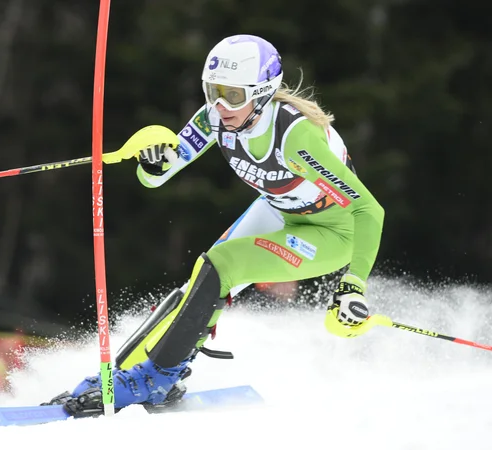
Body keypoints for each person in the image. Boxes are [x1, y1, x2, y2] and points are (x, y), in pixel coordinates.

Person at [45, 34, 385, 415]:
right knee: (201, 282)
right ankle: (124, 374)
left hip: (330, 232)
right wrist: (153, 161)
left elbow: (369, 211)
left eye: (234, 95)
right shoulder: (215, 118)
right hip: (279, 208)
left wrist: (352, 286)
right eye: (213, 91)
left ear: (263, 92)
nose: (221, 106)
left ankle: (157, 377)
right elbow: (156, 177)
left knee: (222, 264)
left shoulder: (296, 138)